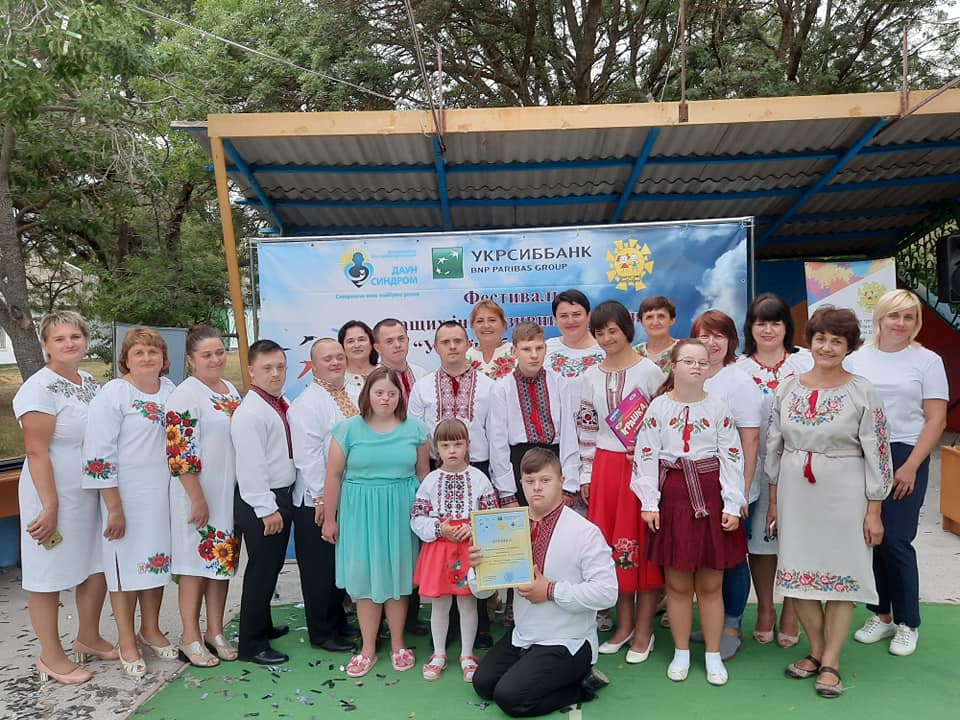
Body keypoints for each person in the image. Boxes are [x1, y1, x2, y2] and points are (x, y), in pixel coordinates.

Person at [766, 307, 892, 699]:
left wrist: (874, 510)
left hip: (846, 492)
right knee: (797, 575)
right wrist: (774, 503)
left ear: (849, 347)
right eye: (820, 338)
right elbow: (774, 446)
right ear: (810, 341)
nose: (827, 347)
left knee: (843, 575)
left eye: (837, 341)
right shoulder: (787, 388)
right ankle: (818, 650)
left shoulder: (862, 391)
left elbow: (879, 453)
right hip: (795, 492)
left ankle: (832, 661)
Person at [470, 448, 618, 717]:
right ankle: (541, 672)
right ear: (521, 483)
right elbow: (480, 593)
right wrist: (478, 569)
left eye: (545, 480)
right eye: (529, 481)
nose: (536, 487)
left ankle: (583, 686)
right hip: (524, 635)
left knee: (509, 698)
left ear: (561, 481)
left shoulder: (585, 532)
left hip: (568, 640)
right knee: (483, 684)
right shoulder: (508, 528)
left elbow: (607, 593)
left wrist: (550, 591)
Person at [632, 340, 747, 686]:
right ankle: (681, 651)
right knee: (678, 584)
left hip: (710, 498)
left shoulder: (718, 407)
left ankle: (713, 654)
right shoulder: (658, 407)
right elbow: (646, 455)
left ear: (709, 368)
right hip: (673, 499)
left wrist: (732, 503)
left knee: (711, 585)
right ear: (674, 365)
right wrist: (649, 502)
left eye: (702, 362)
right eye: (688, 361)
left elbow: (732, 456)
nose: (696, 367)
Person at [14, 311, 114, 684]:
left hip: (89, 489)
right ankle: (50, 656)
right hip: (50, 492)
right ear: (45, 345)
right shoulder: (38, 389)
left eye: (75, 336)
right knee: (48, 572)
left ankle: (88, 636)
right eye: (59, 338)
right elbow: (36, 451)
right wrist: (50, 505)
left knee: (96, 564)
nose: (69, 343)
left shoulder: (89, 381)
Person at [847, 289, 948, 656]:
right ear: (880, 318)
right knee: (871, 537)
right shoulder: (857, 359)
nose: (901, 323)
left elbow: (936, 420)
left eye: (909, 317)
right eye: (894, 315)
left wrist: (911, 465)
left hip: (906, 452)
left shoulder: (927, 361)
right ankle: (882, 614)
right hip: (862, 452)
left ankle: (908, 622)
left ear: (916, 322)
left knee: (897, 539)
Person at [322, 367, 431, 678]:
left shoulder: (416, 429)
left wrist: (428, 515)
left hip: (401, 511)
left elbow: (424, 474)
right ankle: (368, 648)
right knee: (365, 578)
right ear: (367, 394)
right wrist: (329, 518)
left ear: (401, 397)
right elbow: (333, 476)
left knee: (398, 577)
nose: (385, 398)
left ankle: (398, 644)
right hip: (360, 512)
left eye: (392, 393)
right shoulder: (347, 430)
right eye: (379, 392)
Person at [83, 327, 177, 678]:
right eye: (139, 352)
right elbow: (98, 452)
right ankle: (126, 639)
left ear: (164, 358)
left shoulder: (171, 390)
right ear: (126, 359)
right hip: (125, 497)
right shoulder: (114, 394)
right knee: (124, 571)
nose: (147, 358)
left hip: (163, 496)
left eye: (153, 352)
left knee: (156, 564)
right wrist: (114, 507)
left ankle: (150, 628)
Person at [576, 300, 664, 662]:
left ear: (627, 329)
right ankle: (623, 625)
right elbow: (586, 428)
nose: (607, 338)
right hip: (605, 469)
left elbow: (663, 422)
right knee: (612, 549)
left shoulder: (650, 371)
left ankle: (644, 631)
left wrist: (649, 456)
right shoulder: (590, 376)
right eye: (600, 332)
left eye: (612, 330)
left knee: (641, 548)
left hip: (641, 470)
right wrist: (586, 474)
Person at [409, 320, 497, 644]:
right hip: (437, 471)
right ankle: (446, 634)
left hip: (479, 468)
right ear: (435, 347)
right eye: (445, 342)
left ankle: (480, 628)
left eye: (458, 340)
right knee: (444, 558)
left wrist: (498, 479)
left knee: (477, 552)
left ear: (468, 343)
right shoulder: (423, 387)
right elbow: (418, 436)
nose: (452, 347)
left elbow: (496, 434)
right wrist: (424, 473)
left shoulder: (489, 386)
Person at [735, 294, 810, 647]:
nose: (768, 329)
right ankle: (766, 608)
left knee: (796, 540)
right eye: (760, 322)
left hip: (799, 468)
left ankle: (792, 609)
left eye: (775, 322)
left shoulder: (806, 362)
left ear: (787, 326)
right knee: (760, 542)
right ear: (750, 328)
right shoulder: (738, 370)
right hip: (754, 467)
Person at [166, 325, 242, 668]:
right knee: (194, 567)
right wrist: (197, 498)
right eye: (206, 354)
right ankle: (190, 636)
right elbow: (179, 452)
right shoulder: (185, 395)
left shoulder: (230, 390)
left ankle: (215, 631)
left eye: (219, 352)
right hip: (196, 493)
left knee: (220, 564)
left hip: (227, 493)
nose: (215, 359)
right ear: (191, 359)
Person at [690, 310, 762, 659]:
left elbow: (751, 440)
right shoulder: (689, 375)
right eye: (703, 335)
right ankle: (712, 620)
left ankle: (732, 624)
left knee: (732, 558)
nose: (710, 342)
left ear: (731, 340)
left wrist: (742, 493)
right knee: (708, 557)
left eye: (718, 335)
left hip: (731, 488)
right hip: (696, 489)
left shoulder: (739, 382)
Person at [411, 419, 498, 681]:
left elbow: (492, 516)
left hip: (469, 551)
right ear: (436, 447)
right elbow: (417, 518)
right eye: (445, 445)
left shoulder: (480, 479)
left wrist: (473, 529)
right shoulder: (431, 481)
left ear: (468, 445)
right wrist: (441, 529)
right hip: (440, 551)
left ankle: (467, 655)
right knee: (439, 604)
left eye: (458, 444)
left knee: (468, 603)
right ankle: (439, 653)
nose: (452, 451)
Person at [288, 339, 360, 653]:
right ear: (313, 365)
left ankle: (339, 622)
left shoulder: (352, 392)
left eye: (339, 357)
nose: (335, 363)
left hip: (348, 495)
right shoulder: (307, 403)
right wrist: (321, 499)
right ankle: (322, 632)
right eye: (327, 359)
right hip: (316, 502)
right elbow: (308, 458)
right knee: (319, 570)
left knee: (336, 566)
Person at [230, 339, 296, 665]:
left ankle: (264, 626)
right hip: (262, 501)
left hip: (278, 495)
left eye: (280, 367)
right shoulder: (250, 413)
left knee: (270, 569)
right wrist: (267, 509)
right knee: (261, 572)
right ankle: (252, 644)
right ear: (251, 371)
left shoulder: (278, 402)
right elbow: (251, 467)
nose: (275, 374)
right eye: (267, 368)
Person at [488, 322, 580, 505]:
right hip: (519, 465)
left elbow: (569, 435)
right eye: (526, 349)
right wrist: (507, 493)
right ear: (514, 351)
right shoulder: (502, 388)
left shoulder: (560, 383)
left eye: (539, 348)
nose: (534, 355)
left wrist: (569, 484)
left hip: (553, 460)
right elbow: (498, 442)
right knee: (525, 521)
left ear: (545, 348)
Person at [545, 289, 604, 379]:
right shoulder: (546, 349)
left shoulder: (605, 348)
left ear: (588, 316)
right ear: (555, 320)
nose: (570, 321)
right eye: (564, 316)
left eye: (576, 315)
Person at [373, 318, 427, 399]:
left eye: (401, 339)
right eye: (389, 341)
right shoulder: (371, 379)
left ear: (408, 340)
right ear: (377, 348)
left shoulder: (421, 374)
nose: (397, 345)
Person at [466, 300, 516, 379]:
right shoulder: (467, 357)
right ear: (472, 326)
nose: (486, 326)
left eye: (492, 320)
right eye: (480, 321)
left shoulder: (516, 352)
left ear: (503, 324)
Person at [634, 296, 680, 373]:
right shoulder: (634, 353)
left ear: (672, 320)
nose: (655, 322)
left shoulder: (686, 349)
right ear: (642, 323)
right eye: (649, 317)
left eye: (661, 316)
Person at [339, 320, 378, 391]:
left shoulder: (386, 373)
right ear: (342, 346)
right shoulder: (337, 379)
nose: (356, 345)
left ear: (372, 343)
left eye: (361, 340)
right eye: (350, 341)